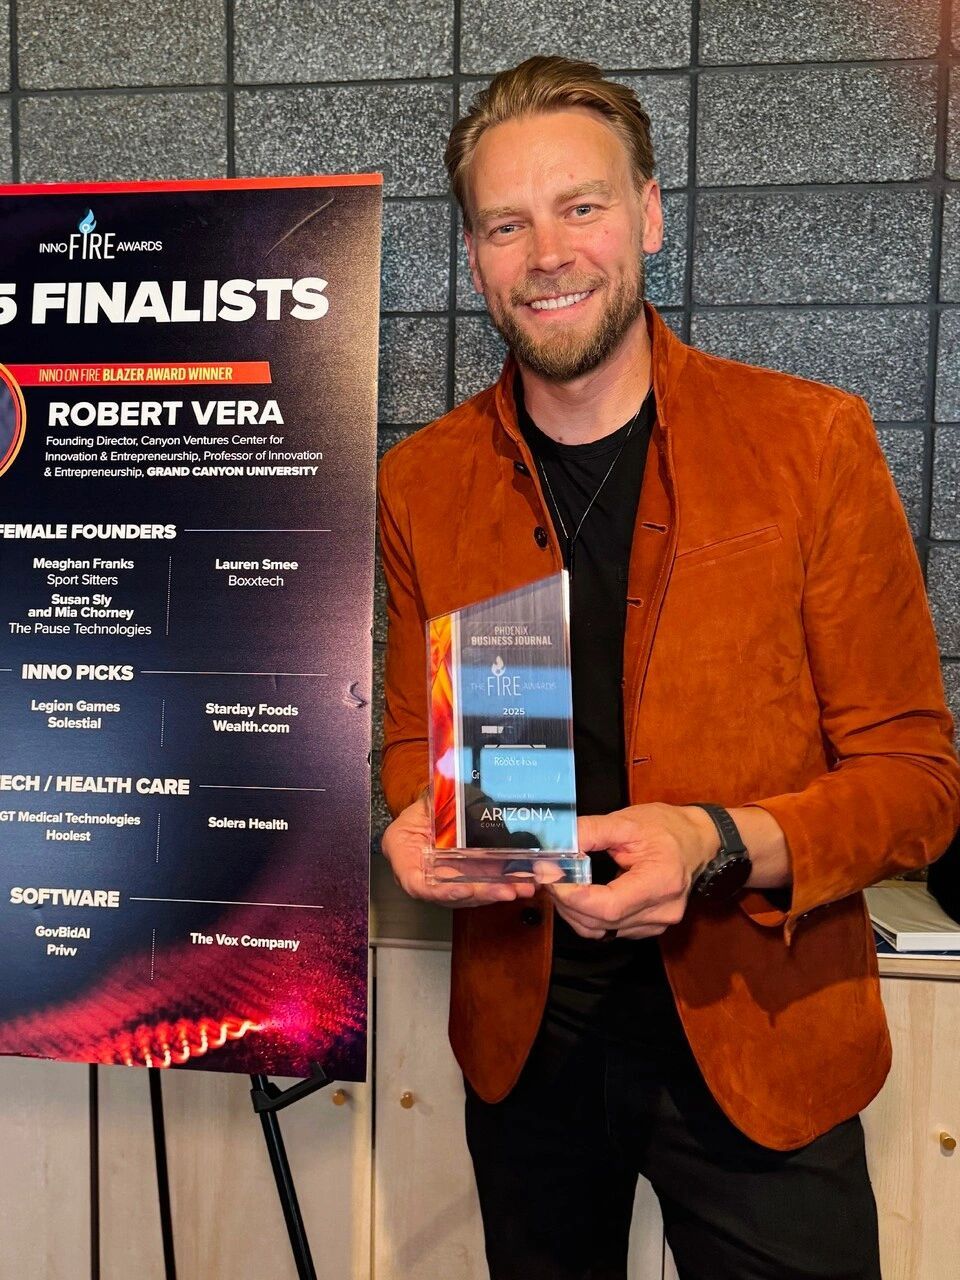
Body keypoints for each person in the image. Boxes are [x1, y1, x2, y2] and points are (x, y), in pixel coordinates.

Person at [377, 56, 960, 1280]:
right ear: (474, 256)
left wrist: (712, 840)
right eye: (506, 222)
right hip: (528, 1050)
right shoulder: (422, 484)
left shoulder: (812, 444)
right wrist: (405, 818)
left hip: (767, 1049)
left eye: (580, 207)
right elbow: (406, 743)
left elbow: (917, 784)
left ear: (647, 212)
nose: (547, 252)